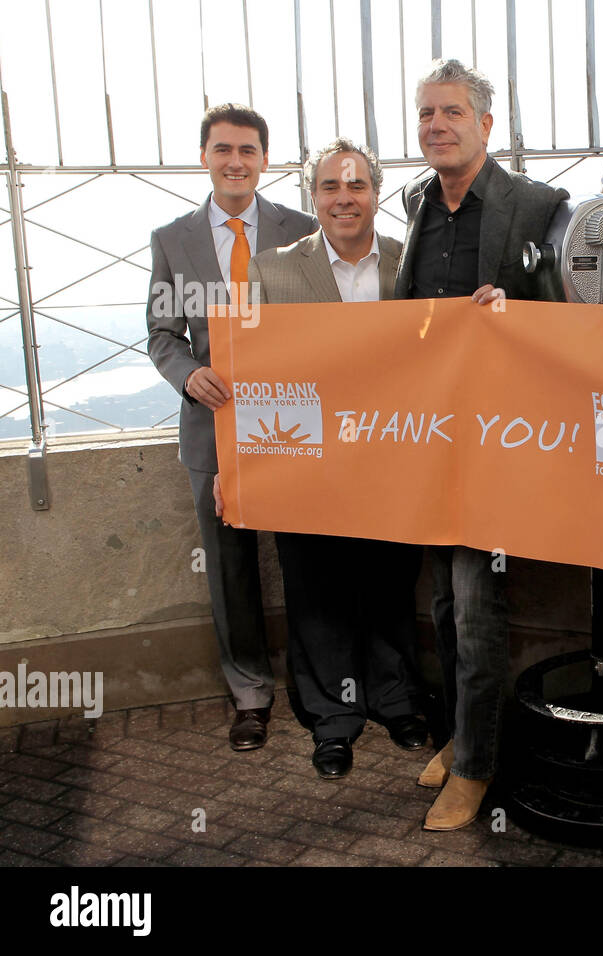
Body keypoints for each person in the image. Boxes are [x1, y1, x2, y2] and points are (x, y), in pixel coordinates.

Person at [215, 140, 432, 779]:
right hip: (304, 463)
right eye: (331, 187)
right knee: (315, 592)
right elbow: (246, 374)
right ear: (314, 197)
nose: (345, 198)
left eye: (357, 186)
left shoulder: (410, 263)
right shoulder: (270, 271)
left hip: (392, 458)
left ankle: (396, 702)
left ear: (375, 193)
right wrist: (239, 471)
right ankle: (333, 719)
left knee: (391, 584)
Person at [397, 58, 570, 831]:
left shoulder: (538, 205)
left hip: (500, 441)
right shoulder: (415, 204)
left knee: (475, 603)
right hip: (430, 435)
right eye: (427, 113)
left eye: (452, 113)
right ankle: (463, 733)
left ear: (486, 124)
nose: (437, 125)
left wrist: (518, 310)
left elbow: (577, 310)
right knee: (439, 599)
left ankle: (476, 765)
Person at [146, 104, 315, 752]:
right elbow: (162, 334)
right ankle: (249, 695)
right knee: (230, 565)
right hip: (212, 427)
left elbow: (326, 324)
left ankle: (318, 683)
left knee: (307, 558)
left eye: (248, 150)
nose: (235, 161)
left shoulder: (302, 229)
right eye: (223, 149)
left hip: (293, 421)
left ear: (265, 159)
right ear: (205, 157)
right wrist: (190, 375)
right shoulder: (172, 239)